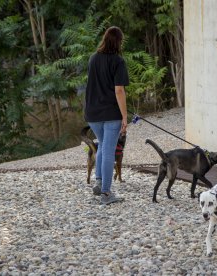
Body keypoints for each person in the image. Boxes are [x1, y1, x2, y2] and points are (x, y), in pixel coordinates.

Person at [85, 26, 129, 205]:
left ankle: (99, 181)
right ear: (119, 41)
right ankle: (106, 194)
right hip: (111, 113)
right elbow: (119, 90)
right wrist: (125, 117)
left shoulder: (93, 59)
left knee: (102, 145)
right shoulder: (118, 61)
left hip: (92, 113)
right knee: (109, 150)